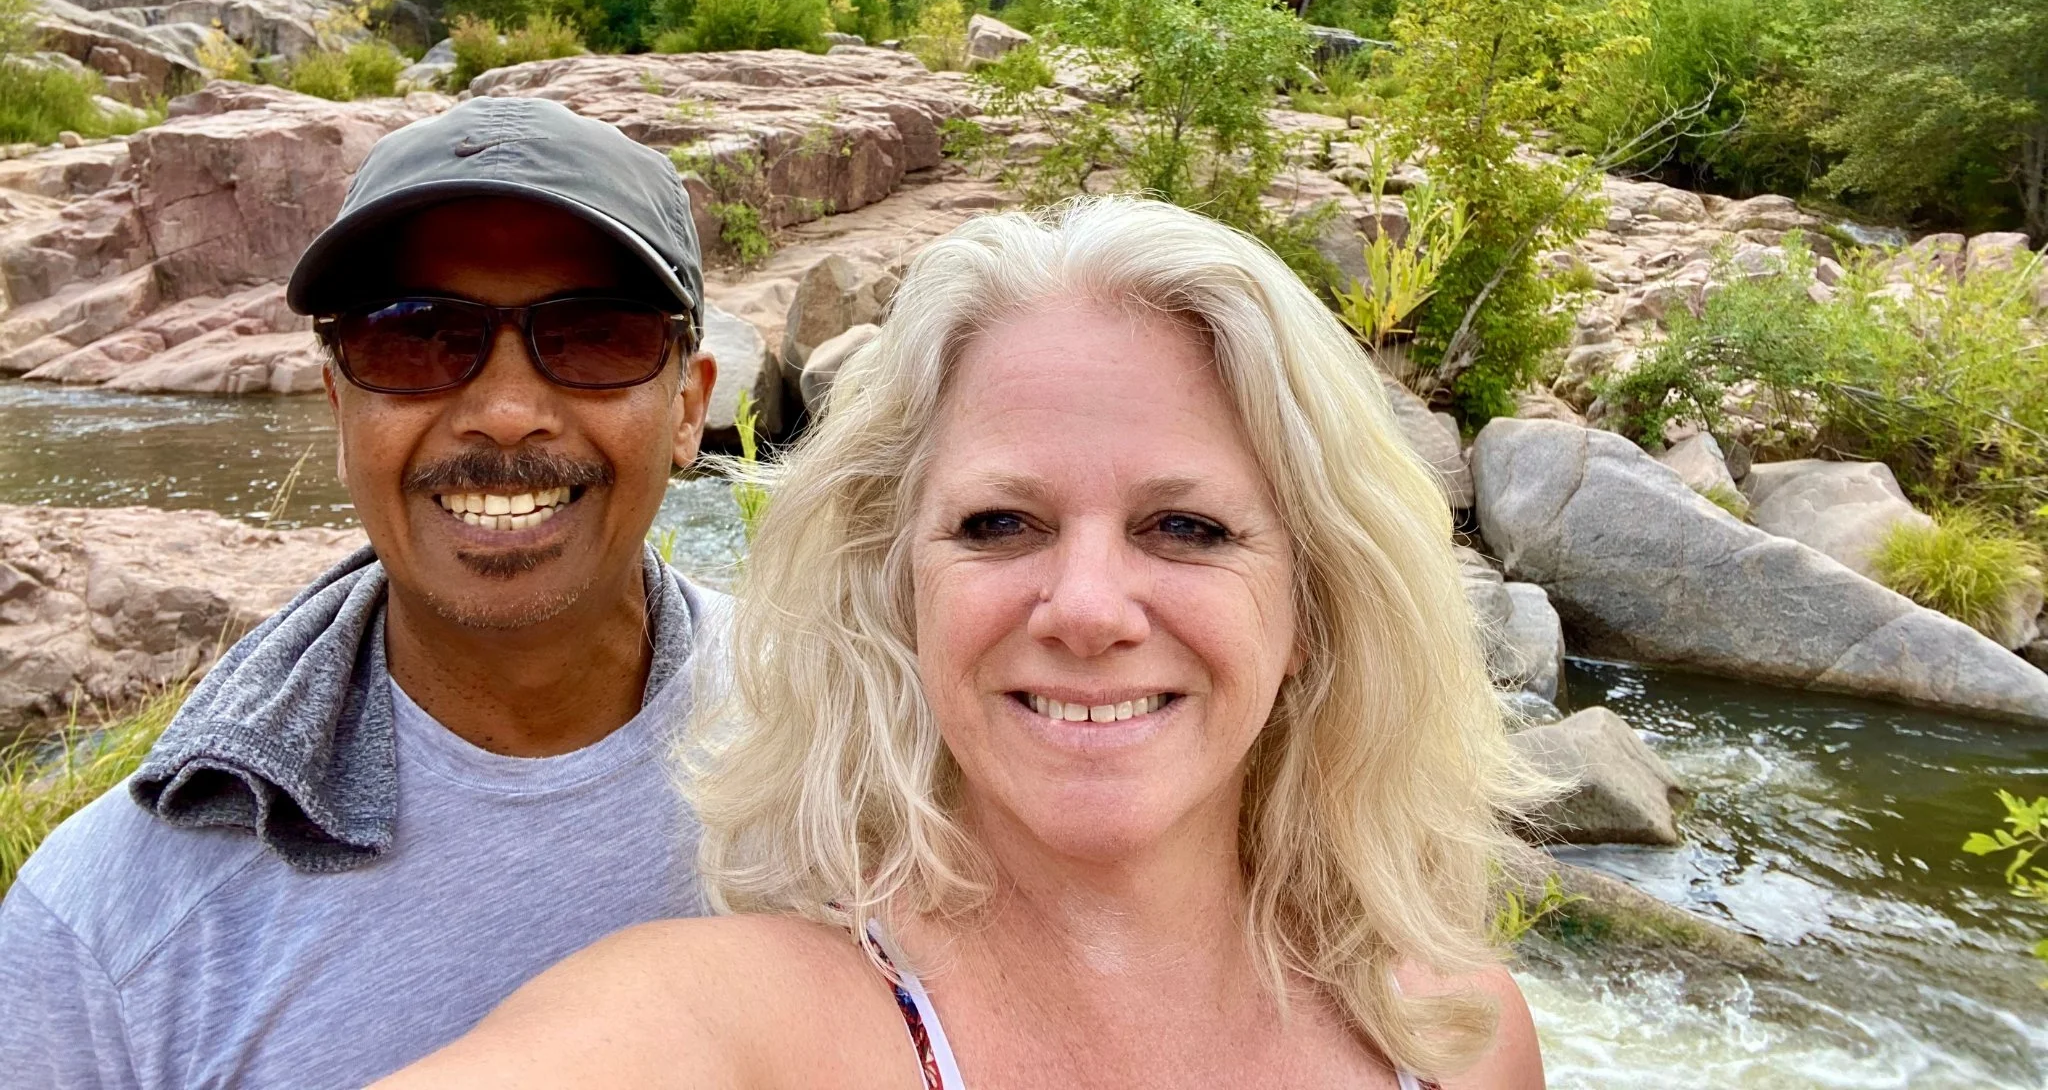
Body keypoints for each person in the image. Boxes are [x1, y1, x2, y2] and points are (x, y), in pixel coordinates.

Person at [384, 196, 1548, 1090]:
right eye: (1000, 525)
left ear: (1311, 605)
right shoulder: (740, 1031)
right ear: (898, 593)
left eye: (1184, 527)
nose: (1087, 609)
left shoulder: (1457, 1039)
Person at [0, 96, 727, 1089]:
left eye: (594, 335)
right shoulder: (102, 933)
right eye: (414, 335)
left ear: (688, 409)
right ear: (340, 408)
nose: (506, 414)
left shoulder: (864, 742)